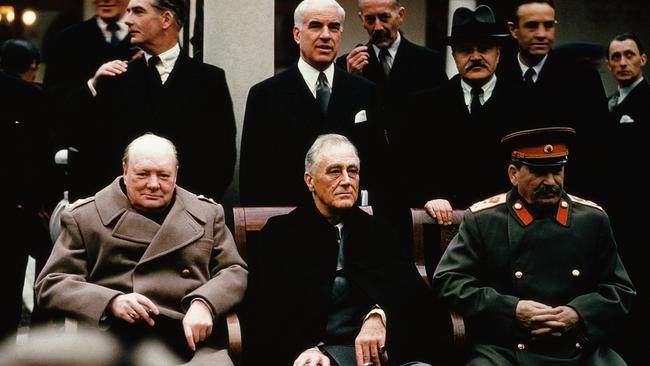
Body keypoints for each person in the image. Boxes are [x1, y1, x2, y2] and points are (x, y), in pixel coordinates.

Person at [35, 133, 247, 365]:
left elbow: (233, 270)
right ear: (125, 171)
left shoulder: (207, 214)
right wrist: (111, 301)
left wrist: (204, 303)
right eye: (143, 174)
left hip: (192, 341)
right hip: (114, 342)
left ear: (176, 173)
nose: (153, 184)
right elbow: (52, 282)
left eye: (164, 175)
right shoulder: (85, 217)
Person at [433, 127, 635, 365]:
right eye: (539, 172)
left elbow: (620, 288)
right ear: (513, 174)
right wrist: (512, 310)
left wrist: (579, 314)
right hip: (506, 348)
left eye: (557, 171)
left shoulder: (592, 219)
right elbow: (449, 280)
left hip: (579, 346)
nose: (550, 182)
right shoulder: (483, 220)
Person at [245, 134, 444, 366]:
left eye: (353, 171)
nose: (347, 180)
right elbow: (264, 310)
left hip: (381, 356)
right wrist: (303, 349)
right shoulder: (281, 234)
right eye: (335, 171)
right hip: (314, 356)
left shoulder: (378, 232)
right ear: (310, 181)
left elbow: (413, 297)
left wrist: (379, 315)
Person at [69, 0, 236, 202]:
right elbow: (88, 148)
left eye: (138, 12)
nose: (128, 20)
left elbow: (221, 155)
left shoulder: (209, 80)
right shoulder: (114, 76)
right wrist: (93, 86)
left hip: (186, 217)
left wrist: (194, 209)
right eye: (128, 12)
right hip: (121, 214)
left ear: (166, 19)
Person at [240, 0, 387, 207]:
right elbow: (253, 177)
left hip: (353, 225)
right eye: (316, 26)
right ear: (297, 34)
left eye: (334, 27)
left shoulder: (365, 91)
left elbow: (379, 168)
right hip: (289, 225)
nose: (326, 35)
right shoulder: (265, 95)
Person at [406, 5, 513, 223]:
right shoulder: (424, 105)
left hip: (505, 223)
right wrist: (429, 196)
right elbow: (411, 165)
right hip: (446, 223)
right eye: (465, 50)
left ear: (498, 53)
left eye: (484, 48)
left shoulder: (522, 102)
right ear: (454, 56)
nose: (475, 57)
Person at [497, 0, 609, 199]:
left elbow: (598, 147)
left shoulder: (582, 78)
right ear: (513, 30)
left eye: (548, 25)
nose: (541, 34)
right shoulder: (497, 74)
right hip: (506, 200)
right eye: (532, 26)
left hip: (566, 198)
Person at [335, 0, 446, 143]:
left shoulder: (428, 61)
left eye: (384, 17)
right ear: (361, 20)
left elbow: (443, 115)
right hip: (370, 158)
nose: (378, 27)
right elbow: (340, 123)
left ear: (400, 15)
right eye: (370, 19)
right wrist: (351, 80)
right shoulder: (347, 64)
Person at [0, 69, 56, 342]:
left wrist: (34, 201)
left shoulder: (23, 96)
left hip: (11, 215)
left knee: (5, 303)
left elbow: (40, 153)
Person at [604, 32, 648, 366]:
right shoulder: (609, 104)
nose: (622, 62)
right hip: (615, 214)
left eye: (628, 55)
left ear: (642, 59)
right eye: (616, 57)